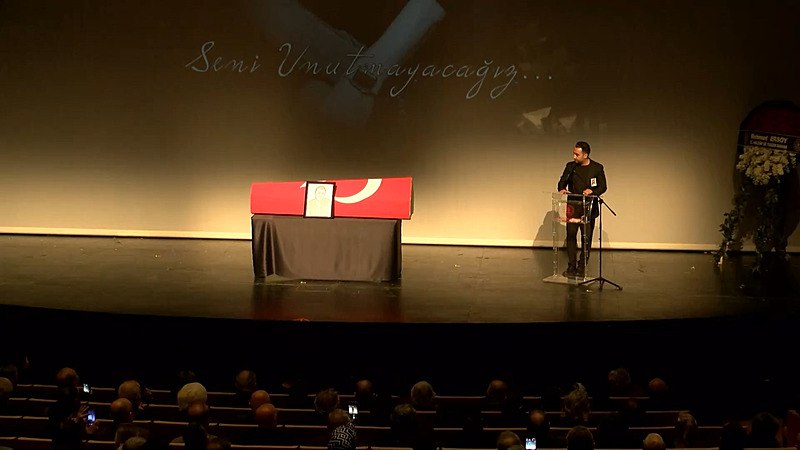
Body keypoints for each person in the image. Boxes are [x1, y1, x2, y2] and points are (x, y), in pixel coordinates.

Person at [557, 141, 607, 277]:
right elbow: (562, 181)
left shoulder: (597, 168)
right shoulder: (571, 167)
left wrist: (592, 191)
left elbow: (603, 186)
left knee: (586, 238)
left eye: (577, 154)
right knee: (571, 235)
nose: (574, 156)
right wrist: (562, 188)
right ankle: (571, 265)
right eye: (573, 154)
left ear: (585, 155)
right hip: (573, 207)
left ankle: (582, 266)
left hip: (588, 208)